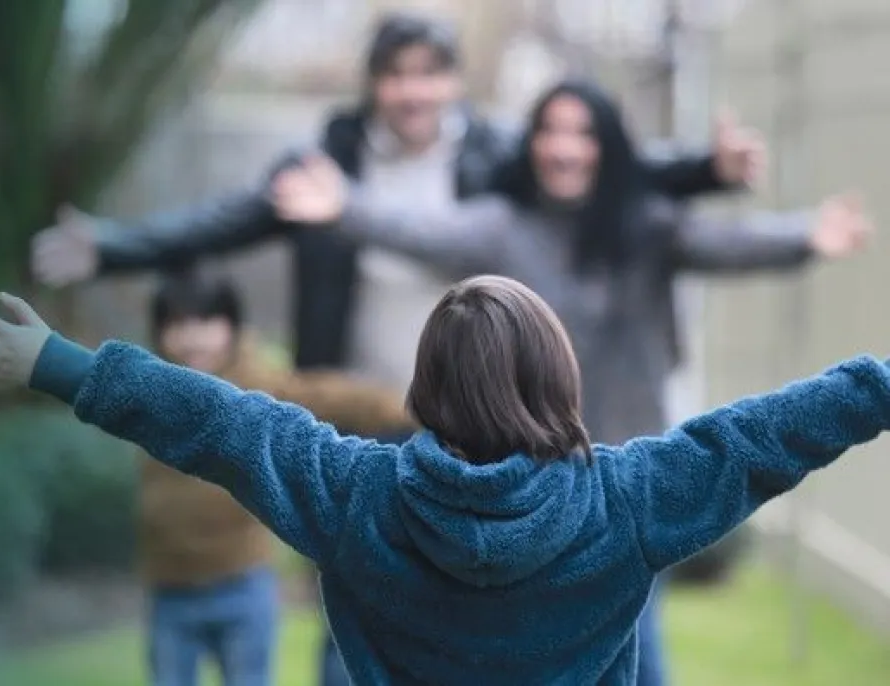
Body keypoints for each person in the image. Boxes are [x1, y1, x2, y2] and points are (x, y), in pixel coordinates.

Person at [30, 15, 762, 683]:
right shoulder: (330, 160)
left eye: (428, 73)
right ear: (375, 84)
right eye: (396, 74)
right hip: (365, 420)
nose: (412, 91)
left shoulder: (495, 155)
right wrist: (111, 247)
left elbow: (603, 166)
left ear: (452, 82)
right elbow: (225, 223)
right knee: (354, 613)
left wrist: (708, 171)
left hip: (484, 421)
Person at [0, 277, 890, 685]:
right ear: (558, 378)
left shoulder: (356, 497)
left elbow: (221, 423)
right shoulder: (628, 500)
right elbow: (766, 435)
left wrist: (58, 362)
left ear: (428, 386)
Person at [268, 80, 874, 685]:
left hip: (619, 485)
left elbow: (726, 243)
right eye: (550, 130)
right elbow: (425, 230)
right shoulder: (502, 229)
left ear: (606, 147)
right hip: (529, 485)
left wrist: (802, 236)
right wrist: (347, 206)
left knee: (641, 656)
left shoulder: (646, 227)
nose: (563, 148)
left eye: (581, 133)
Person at [139, 272, 413, 686]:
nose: (191, 338)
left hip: (242, 582)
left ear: (232, 326)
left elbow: (334, 395)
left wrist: (418, 410)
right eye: (177, 325)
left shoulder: (259, 388)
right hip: (169, 589)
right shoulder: (145, 391)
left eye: (205, 323)